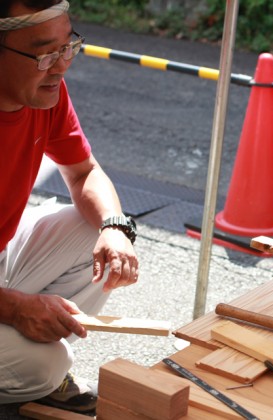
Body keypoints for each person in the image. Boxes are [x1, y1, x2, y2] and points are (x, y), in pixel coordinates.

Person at [0, 0, 140, 412]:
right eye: (45, 53)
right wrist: (15, 308)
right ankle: (25, 371)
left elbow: (83, 174)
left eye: (68, 47)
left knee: (94, 230)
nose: (62, 66)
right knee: (45, 365)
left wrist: (115, 228)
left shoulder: (45, 91)